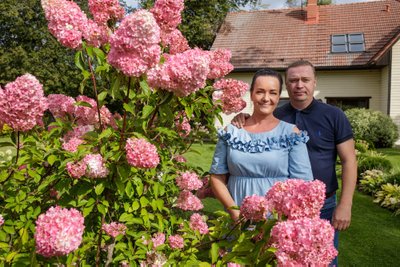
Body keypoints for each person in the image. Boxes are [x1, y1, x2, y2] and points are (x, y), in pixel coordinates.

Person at [232, 60, 357, 266]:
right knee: (283, 259)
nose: (299, 85)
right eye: (293, 80)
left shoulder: (333, 115)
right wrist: (243, 118)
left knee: (322, 260)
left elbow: (349, 160)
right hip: (283, 206)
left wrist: (346, 204)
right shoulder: (276, 115)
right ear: (286, 86)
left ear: (314, 82)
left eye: (305, 80)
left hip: (324, 205)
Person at [209, 68, 314, 221]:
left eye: (272, 92)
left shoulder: (291, 133)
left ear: (279, 96)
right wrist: (234, 211)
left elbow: (303, 183)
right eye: (260, 92)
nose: (266, 98)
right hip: (237, 218)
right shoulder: (232, 132)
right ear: (251, 94)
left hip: (276, 220)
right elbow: (216, 177)